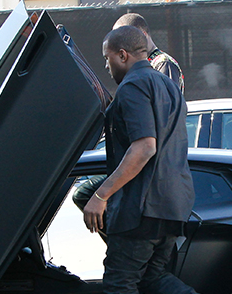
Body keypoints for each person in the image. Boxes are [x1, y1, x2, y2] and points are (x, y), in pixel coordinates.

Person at [80, 25, 232, 294]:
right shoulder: (169, 85)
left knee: (120, 282)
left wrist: (101, 195)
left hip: (142, 203)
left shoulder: (134, 86)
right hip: (173, 202)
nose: (107, 67)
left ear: (122, 55)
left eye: (107, 59)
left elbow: (144, 147)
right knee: (151, 276)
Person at [71, 13, 183, 214]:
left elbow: (154, 130)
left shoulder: (159, 66)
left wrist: (101, 195)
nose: (107, 64)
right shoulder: (141, 74)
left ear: (138, 34)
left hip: (152, 178)